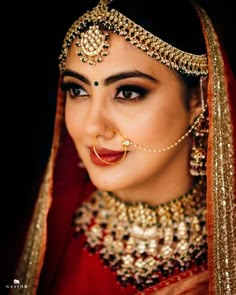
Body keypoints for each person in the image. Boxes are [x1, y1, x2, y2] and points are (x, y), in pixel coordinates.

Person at [11, 0, 236, 294]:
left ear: (199, 98)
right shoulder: (41, 233)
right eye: (77, 90)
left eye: (128, 92)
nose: (92, 126)